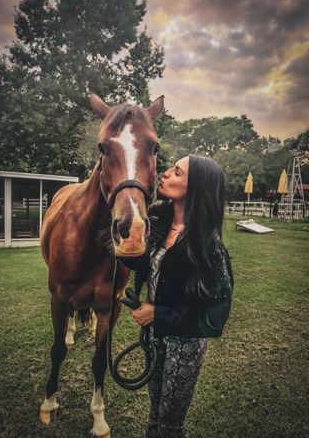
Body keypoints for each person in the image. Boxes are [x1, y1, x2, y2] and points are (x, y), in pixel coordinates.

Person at [121, 154, 234, 438]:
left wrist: (156, 313)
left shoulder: (209, 247)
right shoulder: (159, 219)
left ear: (197, 186)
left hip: (185, 345)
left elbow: (213, 319)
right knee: (155, 413)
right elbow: (143, 263)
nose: (166, 173)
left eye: (177, 172)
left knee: (170, 424)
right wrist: (127, 247)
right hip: (155, 336)